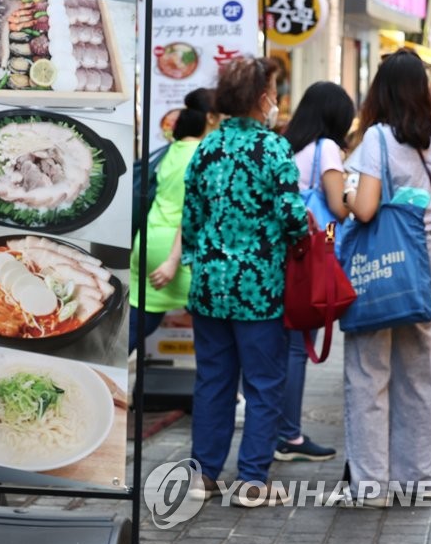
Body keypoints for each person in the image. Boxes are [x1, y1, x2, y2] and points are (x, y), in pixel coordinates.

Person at [182, 58, 308, 506]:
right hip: (259, 289)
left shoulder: (207, 148)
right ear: (262, 99)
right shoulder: (273, 149)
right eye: (273, 90)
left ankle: (203, 475)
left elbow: (191, 220)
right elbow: (294, 217)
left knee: (213, 381)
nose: (275, 99)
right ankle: (252, 479)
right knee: (263, 384)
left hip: (210, 286)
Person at [340, 49, 431, 507]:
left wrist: (348, 191)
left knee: (369, 370)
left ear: (381, 90)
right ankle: (419, 479)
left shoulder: (377, 138)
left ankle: (371, 485)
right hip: (427, 252)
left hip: (384, 257)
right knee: (419, 369)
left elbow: (366, 209)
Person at [276, 81, 354, 462]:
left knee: (283, 344)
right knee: (296, 346)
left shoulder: (288, 144)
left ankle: (279, 429)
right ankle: (288, 435)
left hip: (285, 251)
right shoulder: (327, 149)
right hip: (314, 249)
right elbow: (338, 209)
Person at [129, 89, 219, 352]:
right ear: (211, 119)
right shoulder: (202, 155)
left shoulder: (172, 150)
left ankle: (114, 382)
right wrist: (172, 261)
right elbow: (190, 213)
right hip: (177, 252)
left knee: (136, 327)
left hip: (148, 242)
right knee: (214, 336)